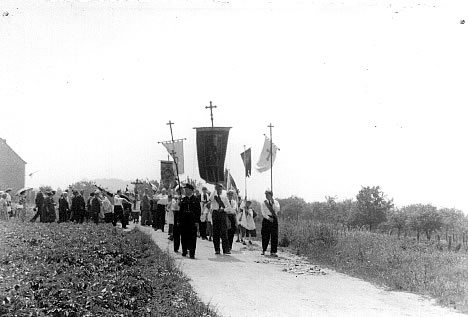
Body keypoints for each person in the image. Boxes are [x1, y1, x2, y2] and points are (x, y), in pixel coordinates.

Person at [179, 184, 201, 259]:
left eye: (187, 189)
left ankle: (192, 253)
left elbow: (198, 211)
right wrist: (179, 220)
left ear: (191, 190)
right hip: (184, 220)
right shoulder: (183, 200)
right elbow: (180, 211)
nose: (185, 191)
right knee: (184, 236)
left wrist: (197, 221)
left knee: (192, 237)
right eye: (185, 190)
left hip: (192, 221)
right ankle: (184, 251)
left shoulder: (196, 200)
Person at [209, 184, 231, 255]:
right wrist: (215, 191)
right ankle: (217, 249)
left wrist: (224, 209)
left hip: (222, 213)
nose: (219, 191)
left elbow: (228, 207)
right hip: (215, 213)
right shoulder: (214, 196)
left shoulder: (224, 197)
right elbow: (210, 199)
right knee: (216, 232)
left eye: (220, 189)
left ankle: (225, 249)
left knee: (224, 232)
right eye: (218, 189)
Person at [261, 190, 280, 257]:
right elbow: (263, 213)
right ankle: (264, 249)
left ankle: (273, 251)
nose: (266, 196)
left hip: (274, 218)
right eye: (265, 195)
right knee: (265, 235)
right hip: (266, 219)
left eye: (268, 194)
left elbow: (277, 209)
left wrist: (273, 203)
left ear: (271, 195)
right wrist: (269, 218)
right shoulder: (264, 203)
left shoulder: (276, 202)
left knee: (274, 235)